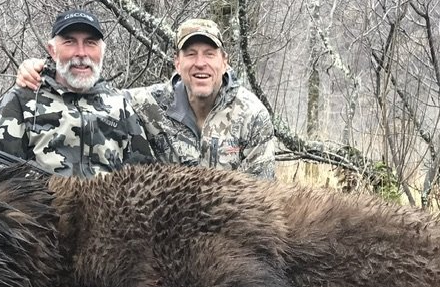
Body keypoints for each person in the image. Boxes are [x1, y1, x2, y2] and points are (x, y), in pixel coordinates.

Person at [16, 18, 276, 179]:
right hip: (168, 236)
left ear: (224, 61)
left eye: (209, 54)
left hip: (235, 233)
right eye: (190, 54)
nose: (200, 64)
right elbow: (89, 94)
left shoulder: (252, 115)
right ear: (177, 62)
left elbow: (263, 198)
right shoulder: (144, 103)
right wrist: (45, 69)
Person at [0, 9, 159, 176]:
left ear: (102, 51)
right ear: (52, 50)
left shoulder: (120, 105)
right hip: (42, 205)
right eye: (70, 42)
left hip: (111, 205)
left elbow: (144, 179)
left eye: (90, 43)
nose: (81, 53)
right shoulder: (21, 102)